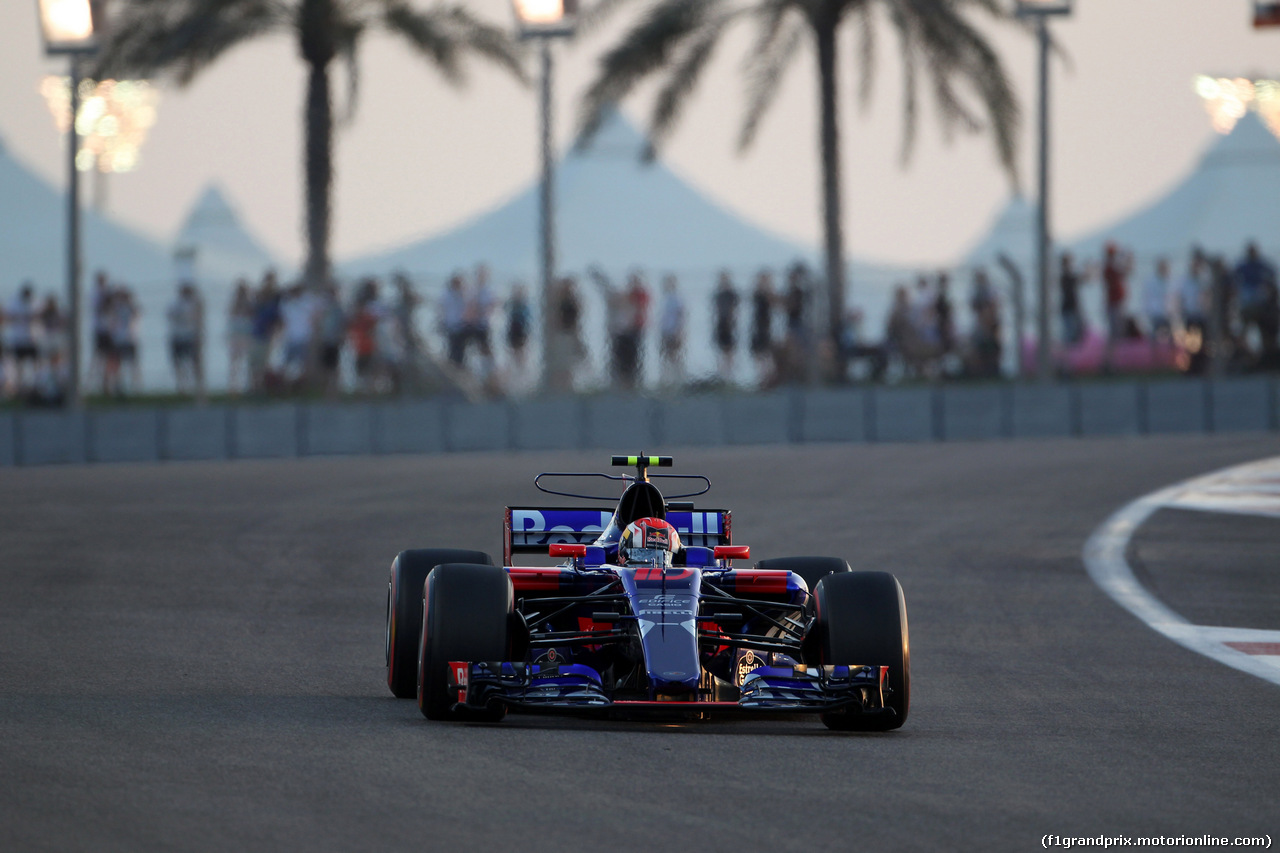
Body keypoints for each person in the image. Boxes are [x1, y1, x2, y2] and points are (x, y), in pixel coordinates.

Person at [1234, 242, 1278, 349]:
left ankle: (1266, 351)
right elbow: (1234, 275)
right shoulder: (1244, 265)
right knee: (1244, 330)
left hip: (1260, 301)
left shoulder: (1260, 264)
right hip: (1247, 301)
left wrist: (1266, 284)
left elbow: (1272, 272)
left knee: (1264, 330)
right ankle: (1243, 350)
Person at [166, 282, 205, 397]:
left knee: (193, 364)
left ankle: (195, 387)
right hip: (178, 337)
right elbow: (169, 316)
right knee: (177, 363)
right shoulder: (174, 304)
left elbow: (198, 319)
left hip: (190, 337)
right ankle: (181, 387)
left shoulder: (195, 304)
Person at [6, 283, 38, 393]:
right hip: (19, 340)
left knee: (35, 364)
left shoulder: (34, 302)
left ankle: (36, 385)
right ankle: (20, 387)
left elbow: (38, 315)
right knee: (19, 366)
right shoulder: (15, 303)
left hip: (31, 340)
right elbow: (9, 316)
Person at [316, 282, 348, 394]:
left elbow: (343, 324)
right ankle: (326, 390)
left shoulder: (339, 307)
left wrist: (342, 336)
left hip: (334, 341)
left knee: (334, 366)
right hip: (325, 340)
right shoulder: (324, 307)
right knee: (325, 366)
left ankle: (334, 390)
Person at [657, 274, 685, 387]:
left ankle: (678, 379)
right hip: (665, 331)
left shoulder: (677, 299)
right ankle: (666, 380)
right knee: (665, 356)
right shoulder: (664, 299)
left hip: (674, 331)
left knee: (675, 356)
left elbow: (681, 315)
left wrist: (679, 331)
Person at [749, 269, 775, 387]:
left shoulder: (769, 294)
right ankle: (760, 377)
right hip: (757, 326)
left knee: (766, 353)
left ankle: (767, 377)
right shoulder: (756, 294)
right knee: (757, 353)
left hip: (766, 326)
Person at [227, 279, 254, 394]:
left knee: (243, 362)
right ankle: (234, 386)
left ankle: (244, 385)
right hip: (237, 336)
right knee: (235, 363)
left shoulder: (249, 304)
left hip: (244, 336)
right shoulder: (235, 304)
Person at [711, 270, 739, 381]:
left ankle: (730, 376)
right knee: (720, 351)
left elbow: (735, 310)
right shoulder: (718, 295)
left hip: (730, 326)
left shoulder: (732, 294)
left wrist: (731, 323)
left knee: (730, 351)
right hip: (720, 325)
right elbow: (715, 311)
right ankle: (722, 376)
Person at [1141, 257, 1174, 342]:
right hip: (1155, 314)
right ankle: (1153, 354)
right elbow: (1146, 298)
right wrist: (1148, 313)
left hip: (1167, 314)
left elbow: (1172, 298)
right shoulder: (1150, 281)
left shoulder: (1169, 281)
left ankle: (1170, 354)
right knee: (1154, 338)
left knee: (1171, 337)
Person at [439, 273, 468, 367]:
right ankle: (453, 364)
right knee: (452, 346)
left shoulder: (463, 294)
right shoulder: (446, 294)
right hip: (451, 324)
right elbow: (442, 309)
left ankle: (460, 365)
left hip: (462, 324)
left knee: (461, 349)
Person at [505, 283, 531, 376]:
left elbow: (527, 318)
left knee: (521, 349)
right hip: (513, 328)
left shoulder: (524, 304)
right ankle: (516, 367)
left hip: (521, 328)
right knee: (513, 349)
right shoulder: (512, 303)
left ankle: (522, 367)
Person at [1058, 252, 1084, 345]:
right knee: (1069, 334)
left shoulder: (1068, 276)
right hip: (1068, 308)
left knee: (1074, 333)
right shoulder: (1065, 277)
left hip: (1072, 308)